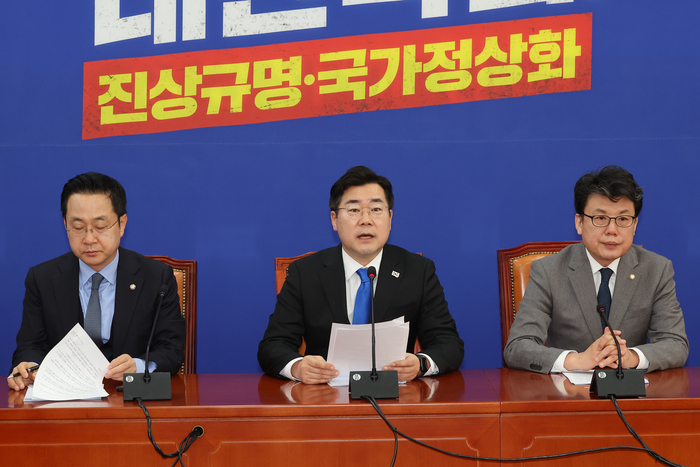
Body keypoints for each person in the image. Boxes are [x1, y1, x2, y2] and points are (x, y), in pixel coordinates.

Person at [258, 166, 464, 384]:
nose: (366, 220)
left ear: (390, 217)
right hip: (324, 394)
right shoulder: (305, 272)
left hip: (396, 395)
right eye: (354, 210)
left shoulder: (417, 270)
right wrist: (298, 367)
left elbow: (448, 343)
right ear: (334, 219)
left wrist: (421, 364)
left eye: (376, 209)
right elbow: (273, 345)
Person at [8, 172, 185, 391]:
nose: (89, 239)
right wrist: (29, 367)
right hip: (66, 399)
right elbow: (30, 345)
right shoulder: (42, 278)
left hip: (130, 398)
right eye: (78, 227)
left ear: (121, 224)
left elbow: (171, 350)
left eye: (100, 226)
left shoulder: (156, 277)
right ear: (65, 225)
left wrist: (137, 366)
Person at [504, 166, 688, 373]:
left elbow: (675, 343)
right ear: (579, 223)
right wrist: (577, 360)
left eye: (623, 219)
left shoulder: (656, 270)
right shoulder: (549, 271)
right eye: (600, 218)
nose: (612, 230)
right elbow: (517, 347)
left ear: (635, 224)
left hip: (629, 388)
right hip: (568, 389)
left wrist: (631, 357)